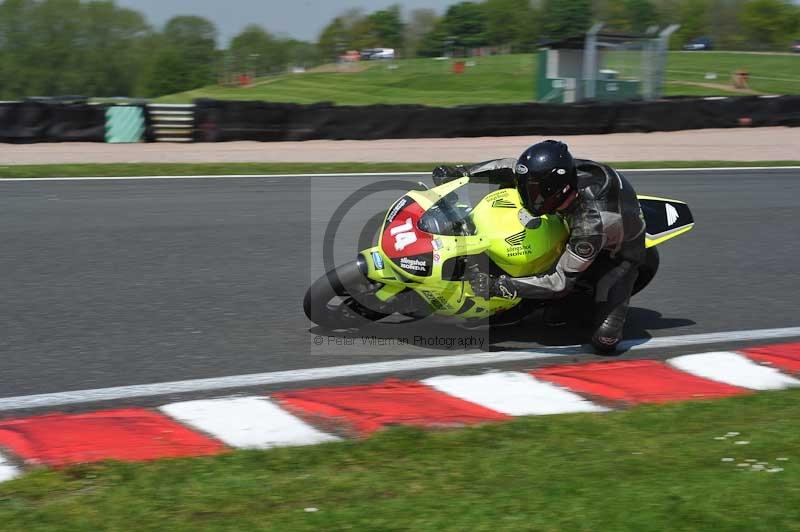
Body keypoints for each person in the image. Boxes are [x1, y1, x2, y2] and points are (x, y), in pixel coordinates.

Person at [432, 140, 646, 353]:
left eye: (534, 191)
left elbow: (559, 281)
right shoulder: (561, 179)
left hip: (618, 253)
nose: (527, 195)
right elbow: (509, 166)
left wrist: (500, 286)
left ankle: (557, 304)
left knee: (605, 340)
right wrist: (460, 173)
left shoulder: (589, 226)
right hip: (579, 216)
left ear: (558, 190)